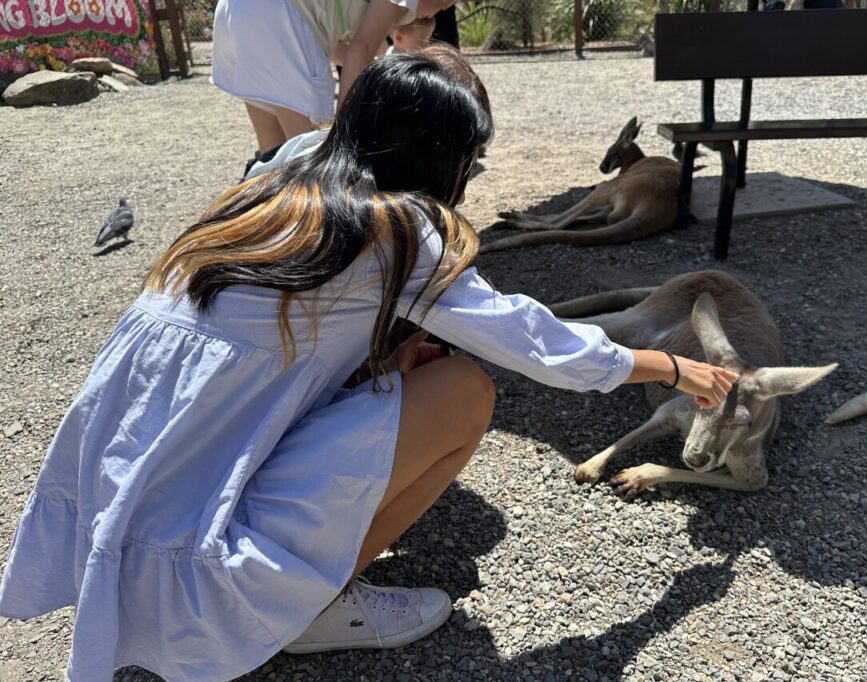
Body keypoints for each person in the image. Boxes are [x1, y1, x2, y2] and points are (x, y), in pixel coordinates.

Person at [0, 53, 737, 682]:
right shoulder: (403, 228)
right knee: (463, 392)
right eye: (470, 161)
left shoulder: (281, 178)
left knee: (409, 368)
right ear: (438, 156)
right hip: (198, 558)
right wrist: (672, 368)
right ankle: (306, 606)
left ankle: (274, 583)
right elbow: (537, 343)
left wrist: (380, 352)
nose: (472, 178)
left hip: (117, 504)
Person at [211, 0, 456, 167]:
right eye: (447, 1)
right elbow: (361, 47)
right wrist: (343, 134)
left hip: (238, 13)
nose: (446, 6)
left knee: (273, 154)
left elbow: (336, 51)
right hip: (274, 19)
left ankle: (274, 232)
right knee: (309, 160)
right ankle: (313, 234)